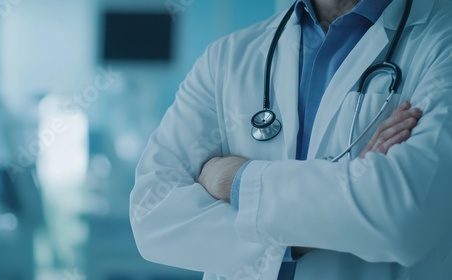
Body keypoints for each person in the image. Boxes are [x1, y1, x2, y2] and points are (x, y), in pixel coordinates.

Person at [130, 0, 452, 279]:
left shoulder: (440, 43)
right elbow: (152, 214)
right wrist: (345, 205)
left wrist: (235, 181)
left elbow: (406, 217)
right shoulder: (225, 60)